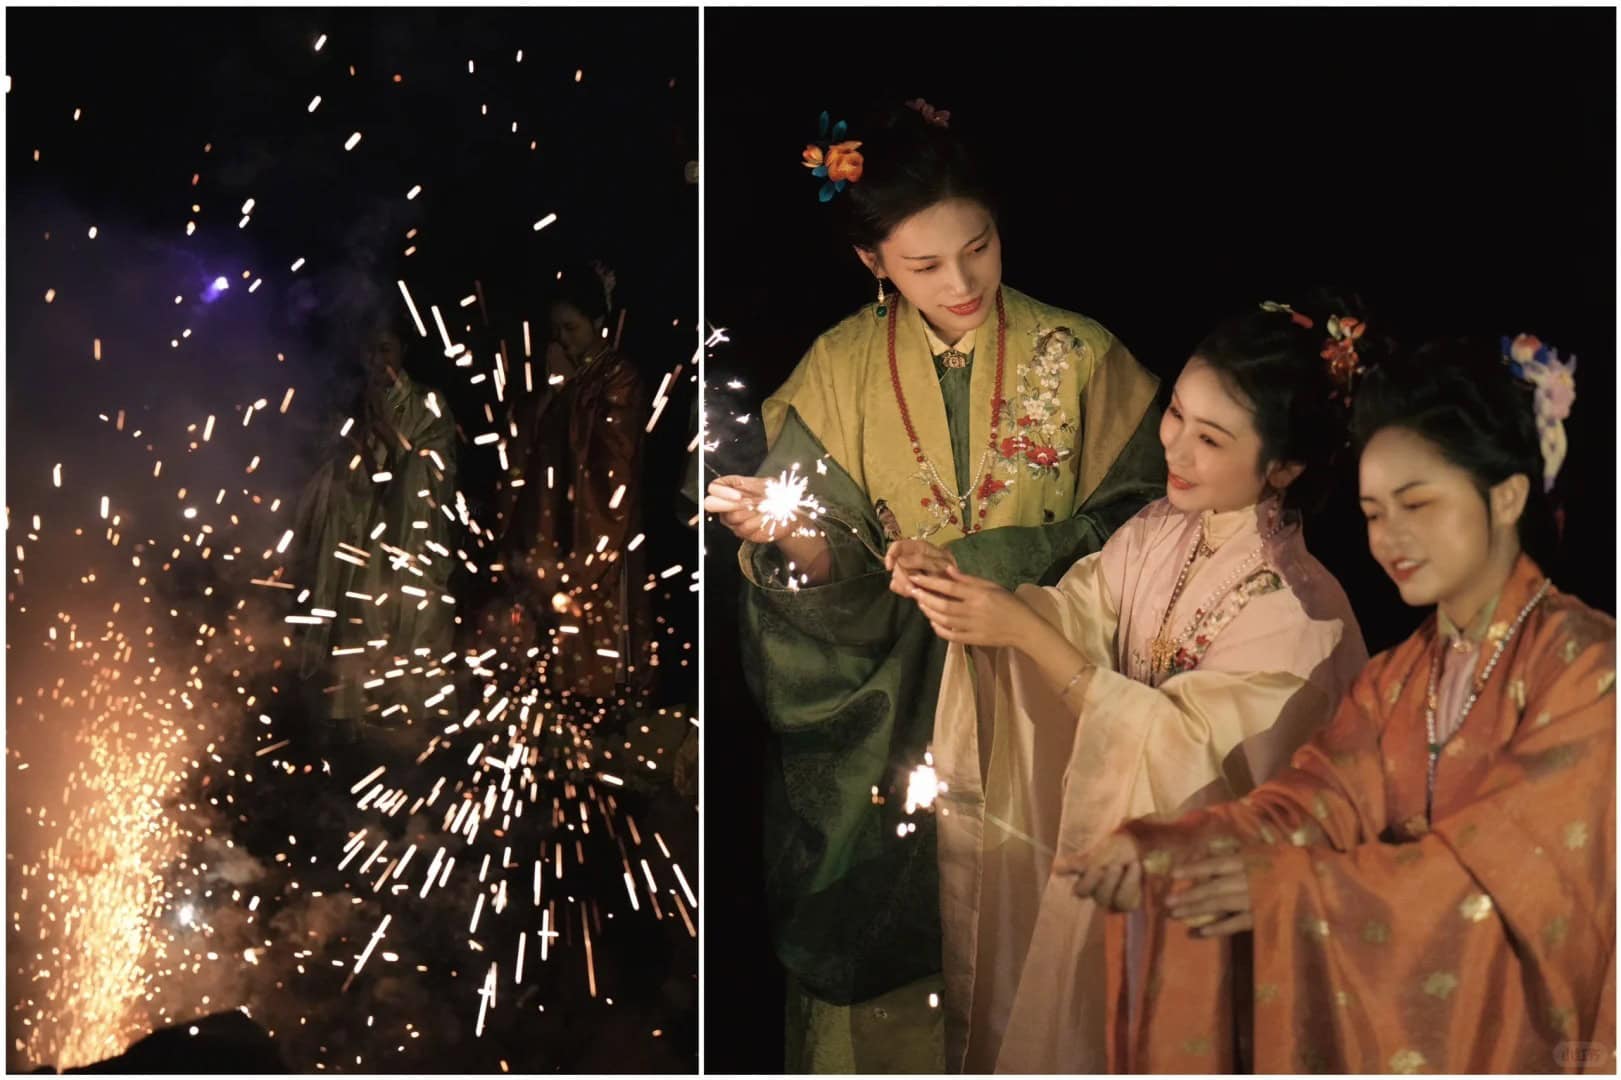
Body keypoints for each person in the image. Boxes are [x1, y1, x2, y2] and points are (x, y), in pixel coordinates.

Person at [704, 99, 1166, 1072]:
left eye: (978, 248)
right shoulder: (832, 373)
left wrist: (995, 564)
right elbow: (821, 583)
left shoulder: (1083, 358)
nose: (960, 283)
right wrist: (795, 541)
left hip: (1050, 725)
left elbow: (1150, 532)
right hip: (893, 741)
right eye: (923, 265)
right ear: (873, 263)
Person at [1065, 335, 1614, 1074]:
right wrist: (1167, 849)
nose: (1391, 538)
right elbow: (1305, 807)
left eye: (1417, 504)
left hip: (1517, 1016)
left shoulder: (1588, 668)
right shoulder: (1399, 678)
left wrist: (1294, 890)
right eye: (1373, 511)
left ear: (1506, 496)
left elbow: (1497, 871)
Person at [919, 299, 1371, 1072]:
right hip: (1111, 871)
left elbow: (1189, 755)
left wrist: (1020, 631)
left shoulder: (1302, 615)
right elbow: (1076, 615)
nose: (1177, 447)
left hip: (1210, 914)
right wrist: (964, 599)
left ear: (1284, 466)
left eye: (1211, 438)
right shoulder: (1156, 529)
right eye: (1175, 414)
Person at [292, 307, 459, 758]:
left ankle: (417, 744)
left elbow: (434, 473)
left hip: (406, 547)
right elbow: (334, 483)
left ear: (403, 350)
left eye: (385, 348)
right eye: (369, 351)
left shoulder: (428, 403)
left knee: (407, 631)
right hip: (358, 542)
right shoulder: (353, 408)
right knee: (355, 628)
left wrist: (390, 437)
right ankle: (353, 742)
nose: (377, 360)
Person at [502, 266, 652, 706]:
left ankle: (600, 716)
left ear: (597, 322)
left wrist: (591, 548)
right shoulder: (565, 378)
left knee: (594, 626)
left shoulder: (618, 376)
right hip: (553, 525)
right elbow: (529, 445)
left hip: (598, 525)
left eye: (572, 328)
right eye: (557, 330)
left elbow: (613, 464)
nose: (564, 339)